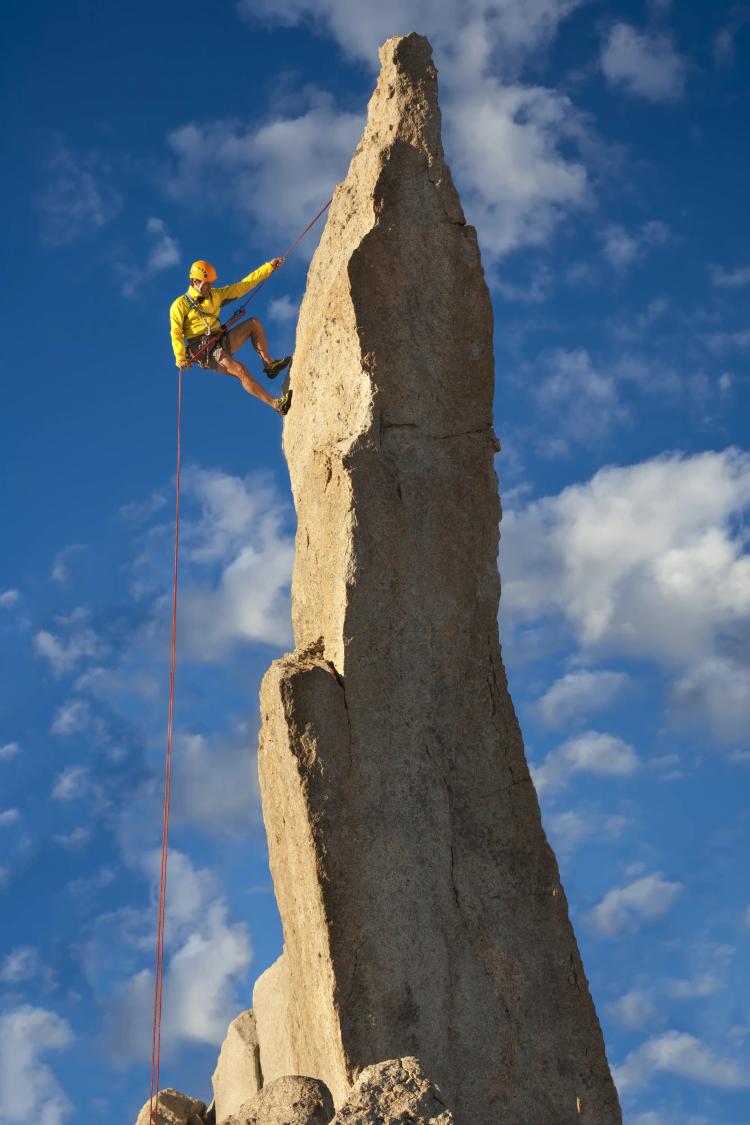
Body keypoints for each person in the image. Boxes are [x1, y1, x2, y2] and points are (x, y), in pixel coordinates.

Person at [169, 259, 293, 414]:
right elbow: (176, 333)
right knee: (240, 370)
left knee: (253, 324)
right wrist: (180, 358)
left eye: (211, 283)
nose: (210, 287)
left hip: (219, 338)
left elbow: (243, 285)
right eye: (207, 284)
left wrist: (269, 267)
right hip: (203, 349)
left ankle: (269, 364)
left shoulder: (216, 295)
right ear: (195, 282)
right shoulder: (179, 305)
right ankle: (276, 404)